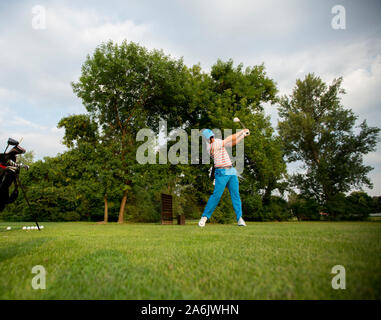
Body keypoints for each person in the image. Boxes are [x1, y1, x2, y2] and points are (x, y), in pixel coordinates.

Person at [199, 128, 250, 227]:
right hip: (221, 172)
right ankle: (204, 217)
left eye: (212, 136)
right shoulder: (211, 146)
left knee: (236, 195)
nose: (212, 138)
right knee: (216, 196)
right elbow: (229, 138)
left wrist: (243, 135)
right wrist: (241, 131)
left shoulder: (217, 141)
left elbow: (231, 143)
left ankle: (239, 218)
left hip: (231, 171)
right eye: (210, 138)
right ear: (206, 139)